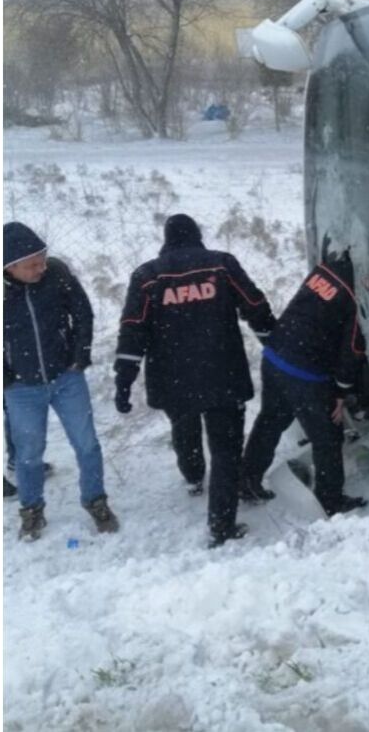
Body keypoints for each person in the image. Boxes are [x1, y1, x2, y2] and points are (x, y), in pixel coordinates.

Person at [113, 214, 274, 548]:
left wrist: (124, 379)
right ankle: (221, 524)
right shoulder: (222, 265)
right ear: (198, 236)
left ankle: (193, 475)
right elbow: (254, 306)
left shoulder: (147, 276)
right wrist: (274, 344)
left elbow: (132, 330)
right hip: (223, 373)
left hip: (173, 378)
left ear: (166, 240)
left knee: (183, 428)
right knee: (226, 450)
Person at [2, 222, 115, 541]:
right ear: (10, 268)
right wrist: (4, 376)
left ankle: (96, 501)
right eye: (32, 265)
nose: (41, 268)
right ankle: (31, 510)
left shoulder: (57, 275)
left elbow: (83, 313)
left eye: (42, 260)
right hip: (21, 388)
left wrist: (80, 354)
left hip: (66, 377)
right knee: (28, 454)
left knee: (87, 444)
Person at [239, 252, 369, 516]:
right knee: (327, 436)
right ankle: (330, 500)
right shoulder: (356, 296)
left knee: (270, 419)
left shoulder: (326, 270)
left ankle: (247, 481)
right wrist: (341, 392)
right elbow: (353, 348)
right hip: (304, 372)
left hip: (275, 356)